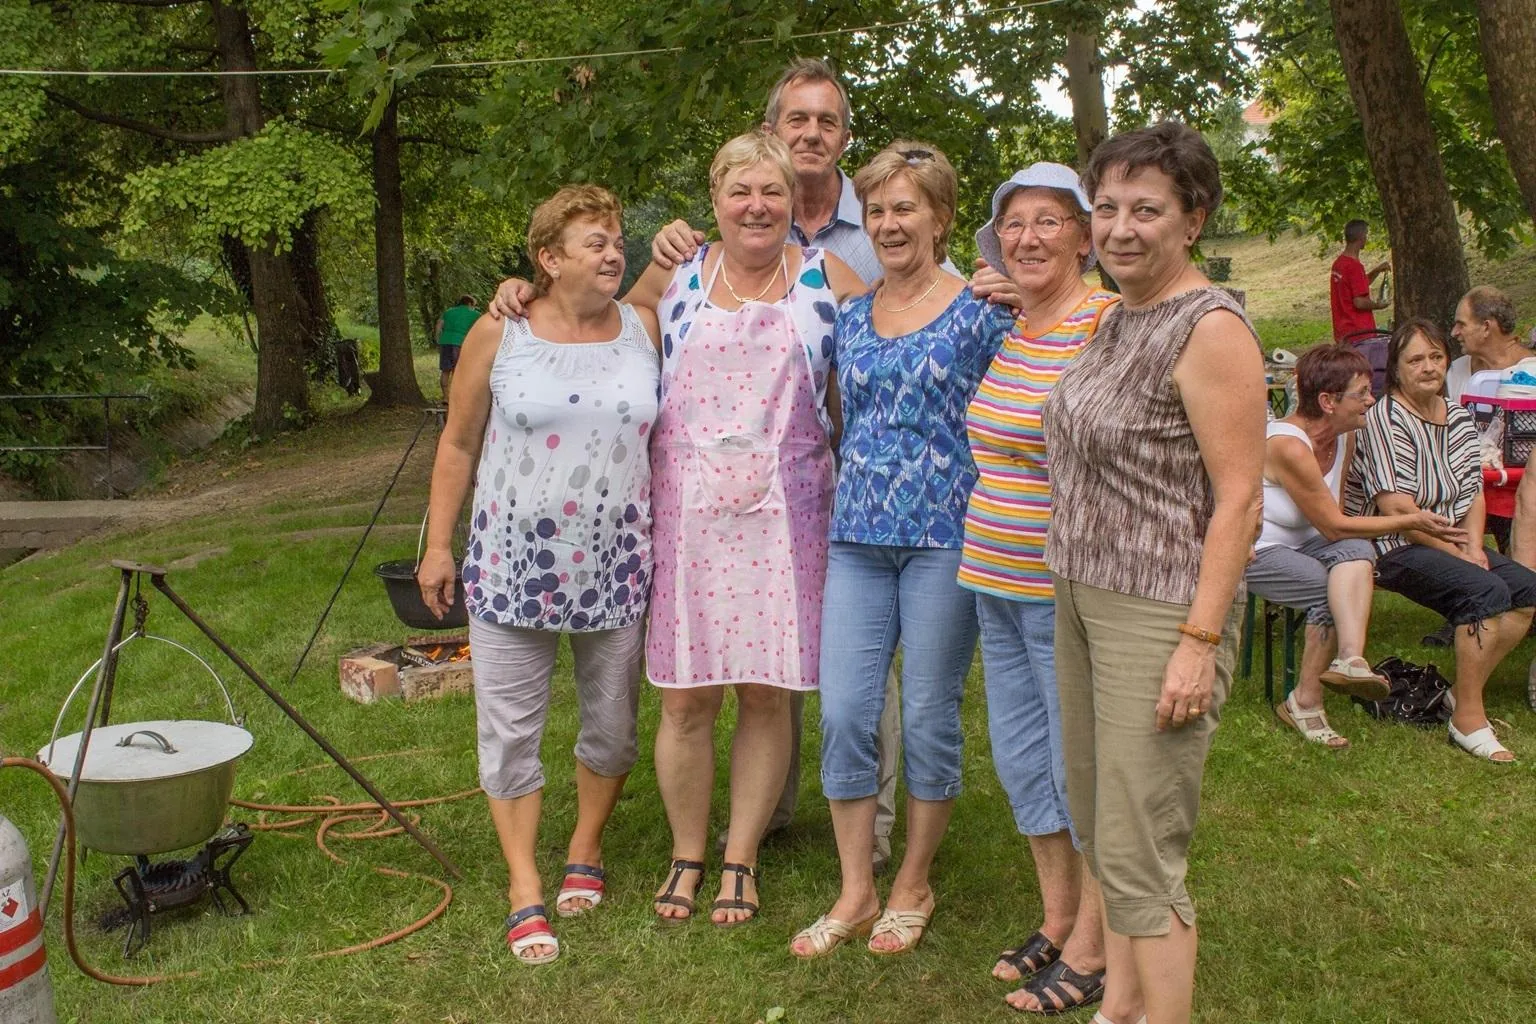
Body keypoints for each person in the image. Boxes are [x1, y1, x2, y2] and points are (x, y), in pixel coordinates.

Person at [1043, 122, 1266, 1024]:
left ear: (1193, 220)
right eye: (1106, 208)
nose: (1121, 228)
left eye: (1147, 210)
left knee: (1143, 851)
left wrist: (1197, 644)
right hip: (1083, 595)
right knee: (1105, 827)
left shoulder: (1208, 327)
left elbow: (1241, 500)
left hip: (1161, 609)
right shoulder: (1120, 313)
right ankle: (1118, 1008)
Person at [622, 131, 865, 927]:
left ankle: (741, 856)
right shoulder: (678, 274)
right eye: (740, 192)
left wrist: (993, 299)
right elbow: (598, 333)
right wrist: (519, 300)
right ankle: (687, 853)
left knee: (765, 698)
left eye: (772, 192)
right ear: (716, 198)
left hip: (784, 522)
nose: (757, 206)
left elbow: (903, 325)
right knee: (686, 701)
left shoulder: (826, 278)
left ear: (794, 202)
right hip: (690, 521)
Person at [417, 186, 661, 965]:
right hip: (512, 564)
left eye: (617, 239)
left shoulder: (644, 327)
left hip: (617, 564)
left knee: (614, 724)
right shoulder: (502, 330)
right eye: (594, 241)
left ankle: (584, 846)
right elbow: (457, 443)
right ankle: (525, 884)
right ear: (548, 260)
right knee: (510, 729)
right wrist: (437, 545)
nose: (614, 252)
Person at [788, 142, 1009, 960]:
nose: (887, 223)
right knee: (845, 710)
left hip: (947, 539)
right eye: (876, 209)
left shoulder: (984, 311)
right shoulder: (852, 314)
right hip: (857, 536)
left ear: (943, 219)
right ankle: (856, 887)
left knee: (926, 713)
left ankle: (914, 879)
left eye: (905, 208)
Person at [952, 162, 1118, 1014]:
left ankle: (1095, 945)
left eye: (1049, 221)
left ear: (1087, 236)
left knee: (1077, 766)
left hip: (1069, 588)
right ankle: (1056, 916)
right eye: (1013, 223)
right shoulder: (1015, 325)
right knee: (1024, 765)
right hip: (994, 577)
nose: (1027, 238)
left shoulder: (1108, 323)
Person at [1245, 344, 1464, 749]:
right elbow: (1332, 525)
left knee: (1359, 553)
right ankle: (1305, 701)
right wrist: (1411, 519)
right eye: (1361, 393)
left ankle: (1351, 660)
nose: (1370, 401)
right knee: (1330, 586)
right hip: (1258, 549)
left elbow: (1340, 520)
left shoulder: (1345, 438)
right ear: (1328, 402)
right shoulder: (1288, 444)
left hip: (1309, 543)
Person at [1348, 318, 1536, 763]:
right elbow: (1398, 512)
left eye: (1436, 357)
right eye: (1416, 359)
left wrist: (1472, 547)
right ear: (1396, 368)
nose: (1428, 367)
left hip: (1451, 540)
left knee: (1527, 591)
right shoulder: (1385, 420)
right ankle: (1468, 717)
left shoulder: (1457, 417)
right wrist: (1460, 555)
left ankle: (1456, 694)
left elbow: (1472, 493)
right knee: (1485, 590)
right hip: (1391, 545)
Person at [1329, 220, 1388, 342]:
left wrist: (1376, 271)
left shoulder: (1339, 263)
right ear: (1362, 237)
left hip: (1344, 333)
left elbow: (1356, 285)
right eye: (1366, 235)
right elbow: (1359, 302)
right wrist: (1378, 305)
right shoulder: (1354, 267)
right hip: (1360, 334)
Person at [435, 294, 478, 401]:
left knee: (445, 371)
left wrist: (438, 339)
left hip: (445, 342)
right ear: (469, 304)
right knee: (458, 371)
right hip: (460, 343)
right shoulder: (475, 314)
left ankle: (445, 397)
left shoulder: (448, 312)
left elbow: (439, 325)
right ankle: (457, 397)